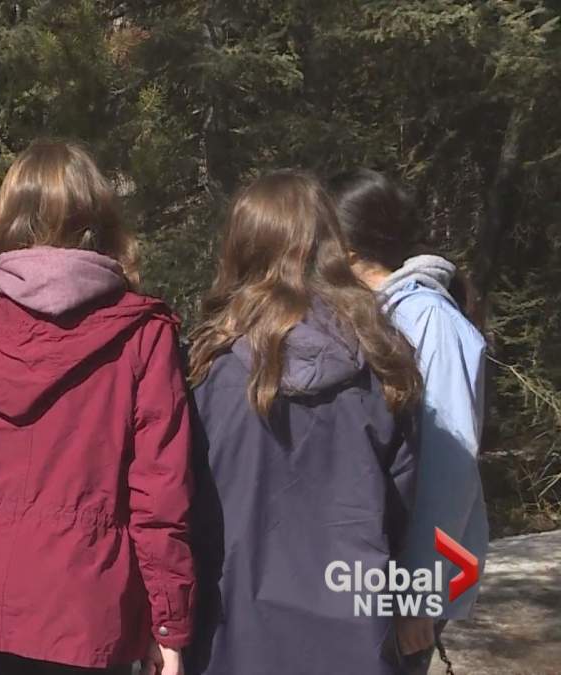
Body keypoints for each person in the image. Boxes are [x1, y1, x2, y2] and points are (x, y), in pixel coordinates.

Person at [0, 139, 194, 675]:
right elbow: (160, 497)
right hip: (88, 603)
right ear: (98, 220)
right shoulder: (139, 332)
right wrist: (169, 624)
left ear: (7, 220)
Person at [184, 170, 422, 675]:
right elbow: (401, 511)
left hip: (235, 636)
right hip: (352, 633)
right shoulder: (383, 360)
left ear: (240, 249)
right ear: (330, 246)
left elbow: (183, 515)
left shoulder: (207, 371)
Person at [331, 168, 489, 674]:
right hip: (374, 567)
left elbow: (451, 466)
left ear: (348, 248)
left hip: (408, 577)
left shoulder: (428, 319)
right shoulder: (378, 313)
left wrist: (420, 591)